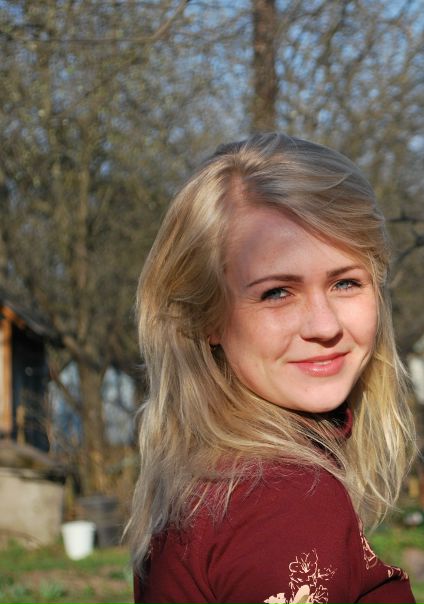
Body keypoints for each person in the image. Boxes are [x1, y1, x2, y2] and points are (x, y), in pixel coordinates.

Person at [128, 133, 416, 603]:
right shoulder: (284, 498)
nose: (325, 326)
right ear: (207, 318)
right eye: (276, 293)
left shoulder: (219, 480)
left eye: (345, 282)